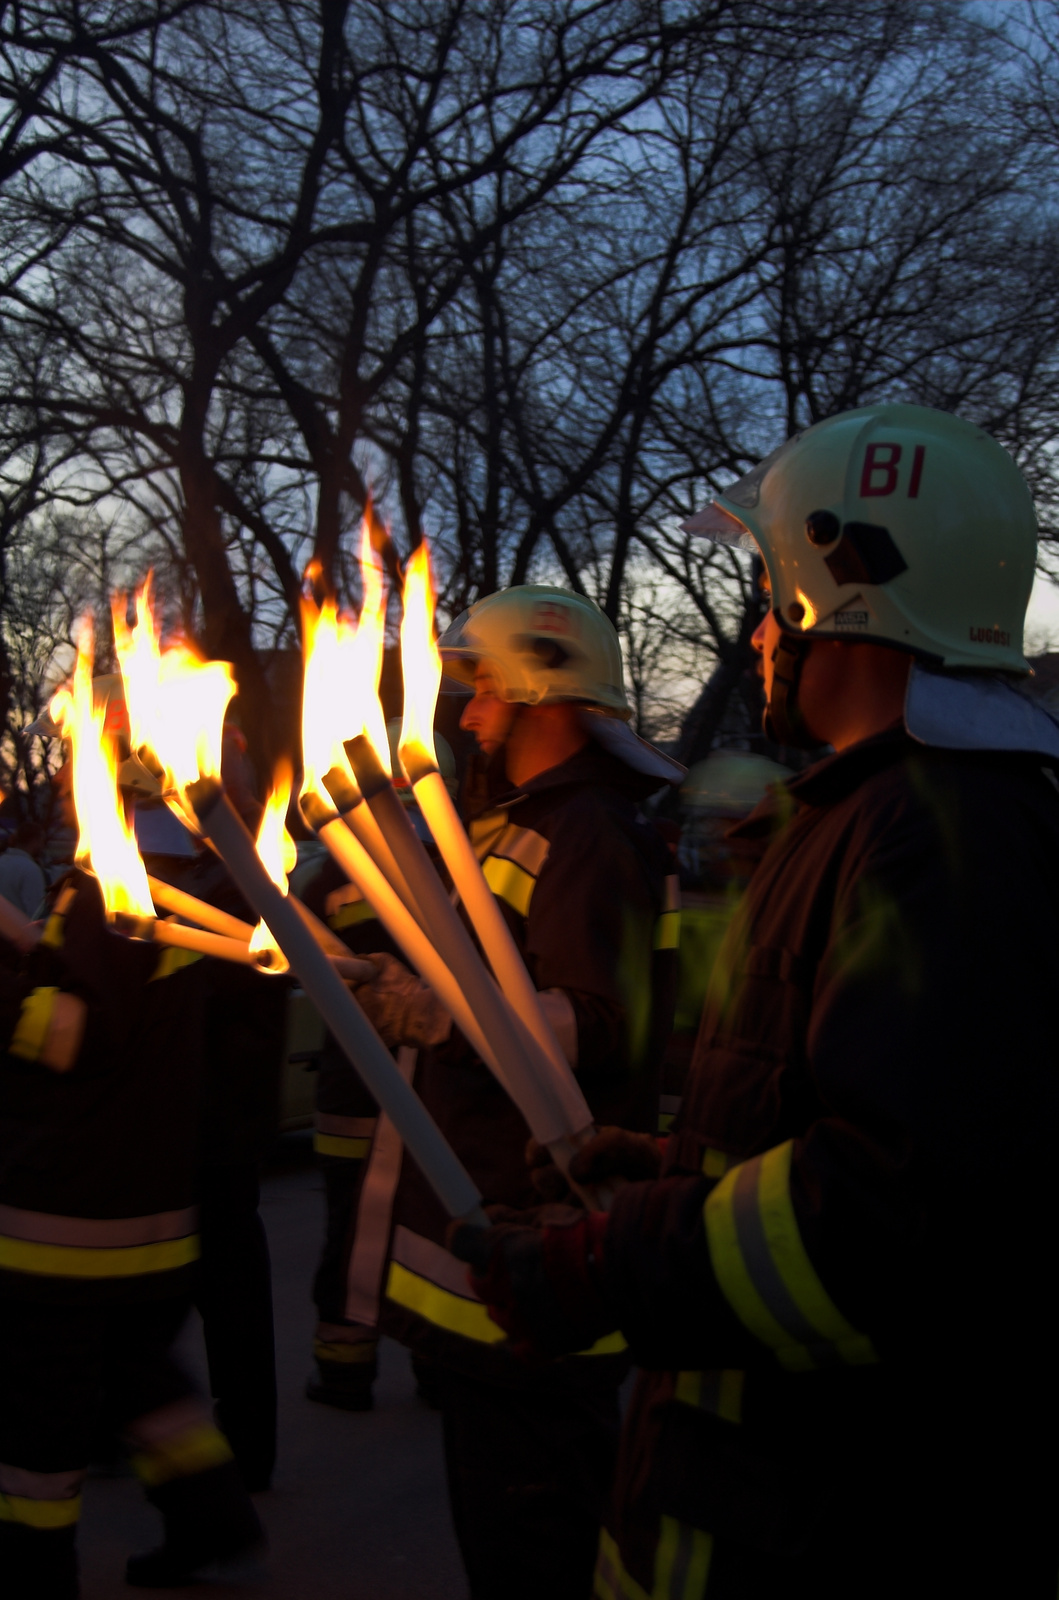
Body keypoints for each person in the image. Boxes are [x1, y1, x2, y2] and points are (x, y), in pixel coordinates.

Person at [453, 404, 1059, 1598]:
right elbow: (855, 1117)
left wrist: (611, 1256)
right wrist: (684, 1164)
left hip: (829, 1521)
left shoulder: (949, 833)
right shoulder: (884, 813)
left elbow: (898, 1214)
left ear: (838, 596)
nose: (757, 633)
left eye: (769, 589)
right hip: (771, 1504)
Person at [345, 586, 682, 1600]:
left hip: (538, 1264)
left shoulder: (589, 832)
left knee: (534, 1553)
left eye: (483, 691)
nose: (470, 715)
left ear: (540, 691)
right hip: (498, 1271)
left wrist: (444, 1014)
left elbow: (603, 1019)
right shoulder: (514, 826)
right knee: (504, 1538)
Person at [0, 821, 48, 917]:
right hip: (17, 930)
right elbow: (36, 912)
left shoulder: (2, 861)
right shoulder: (30, 869)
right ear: (35, 841)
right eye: (42, 841)